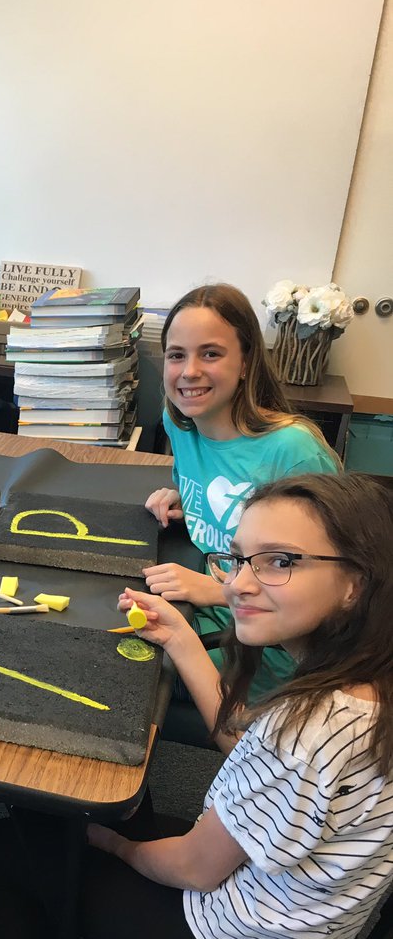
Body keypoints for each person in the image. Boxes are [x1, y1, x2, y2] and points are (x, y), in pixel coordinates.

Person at [0, 471, 393, 939]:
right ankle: (38, 937)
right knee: (118, 816)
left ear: (356, 582)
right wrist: (183, 638)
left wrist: (113, 845)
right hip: (307, 933)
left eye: (280, 562)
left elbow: (194, 867)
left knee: (15, 846)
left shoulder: (303, 730)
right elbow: (248, 751)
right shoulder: (362, 693)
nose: (239, 584)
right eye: (240, 559)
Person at [142, 282, 338, 701]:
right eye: (177, 355)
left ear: (246, 362)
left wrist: (214, 590)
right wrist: (189, 498)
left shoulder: (294, 451)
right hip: (206, 618)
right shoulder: (180, 423)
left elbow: (332, 583)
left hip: (271, 652)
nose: (189, 371)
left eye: (210, 354)